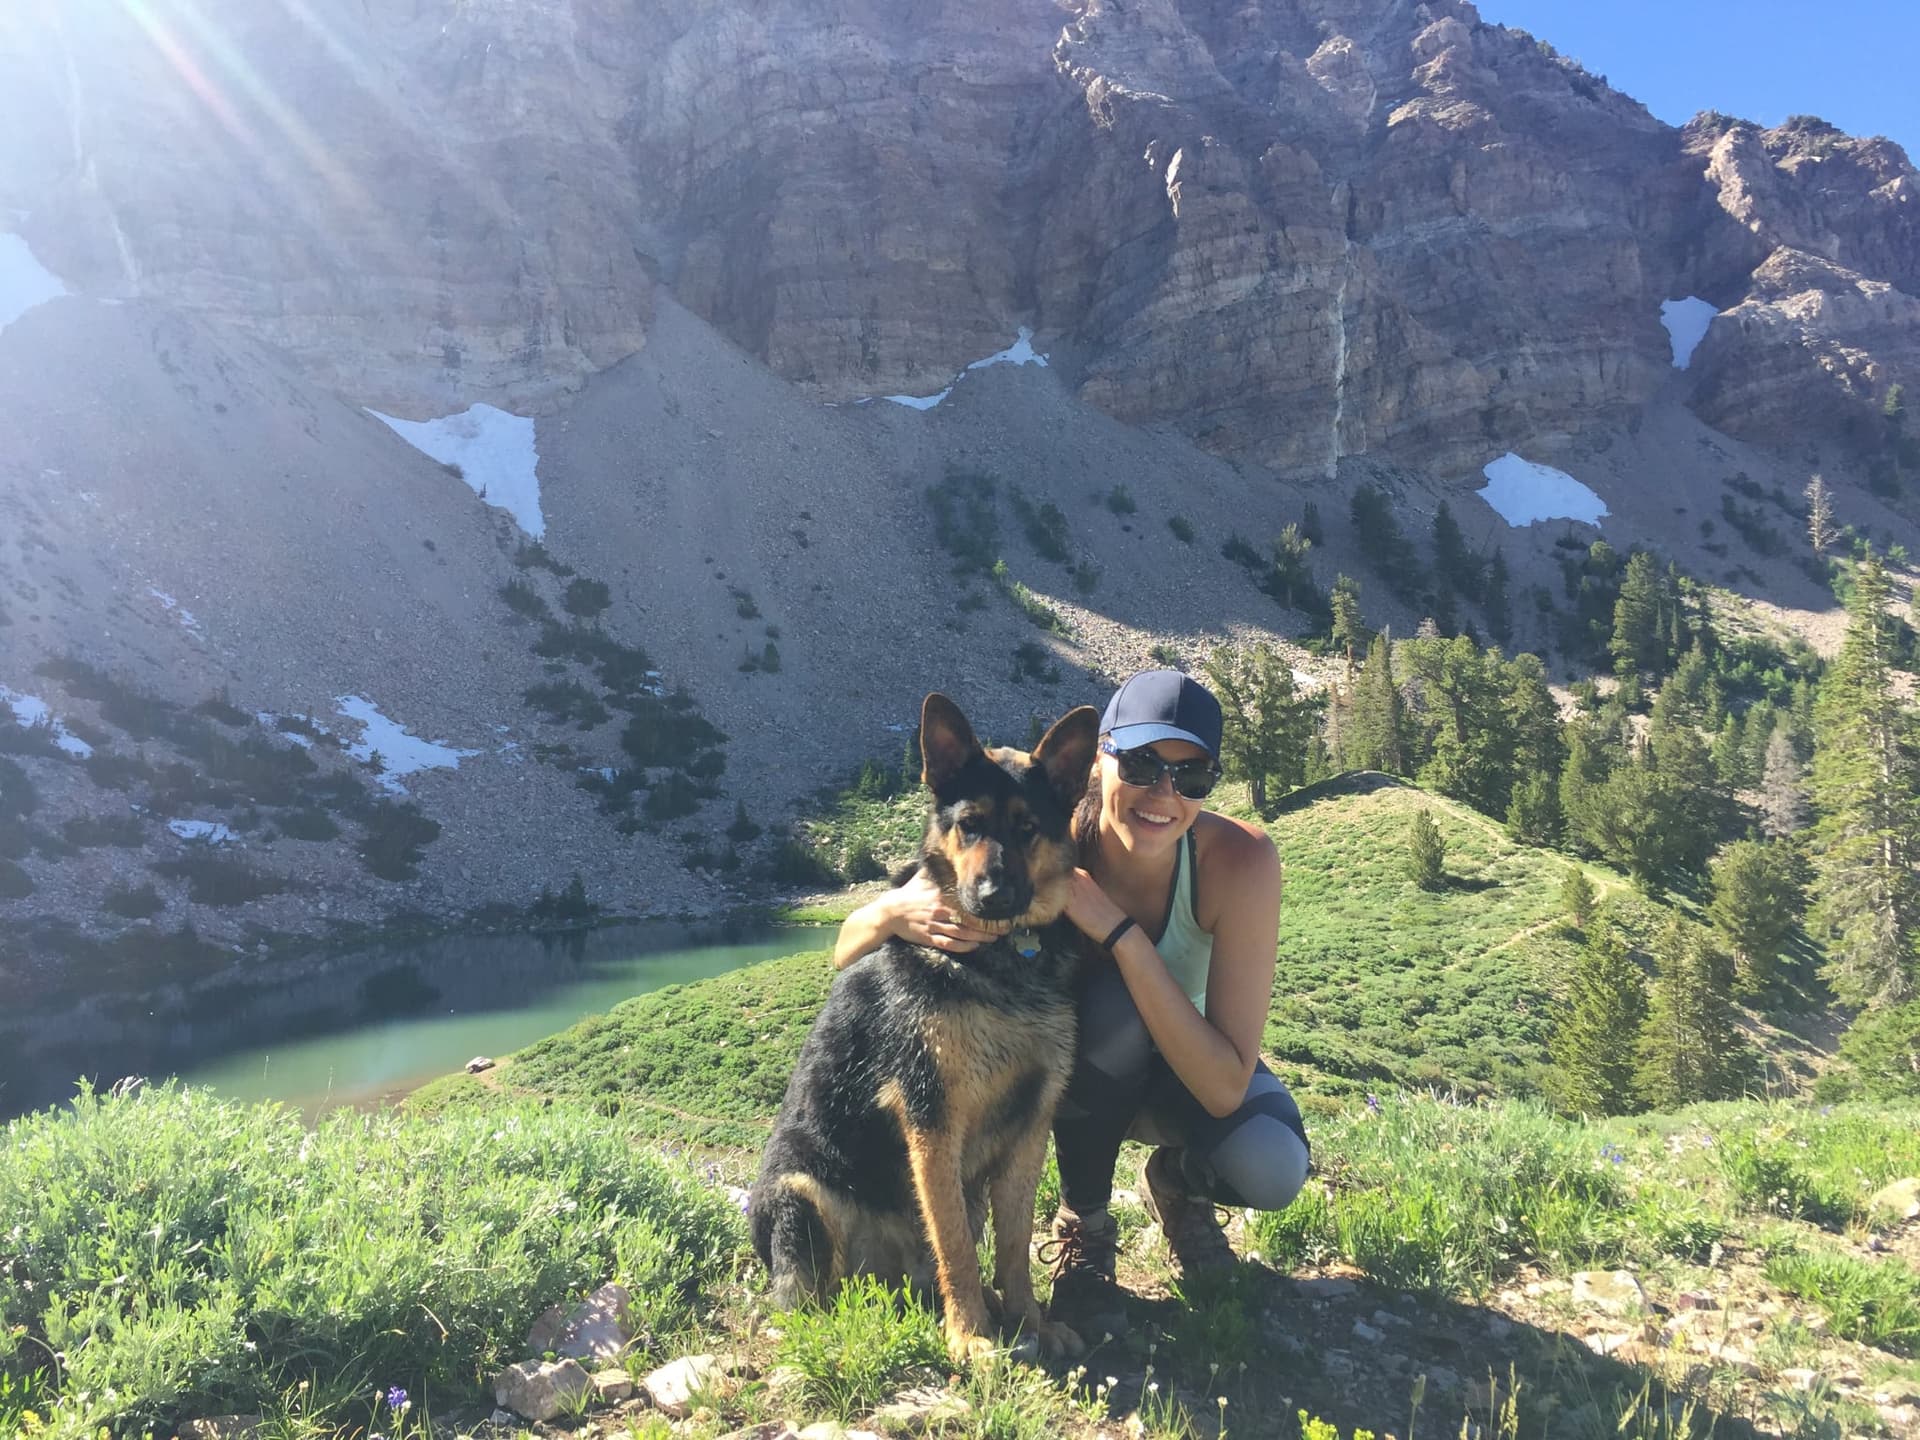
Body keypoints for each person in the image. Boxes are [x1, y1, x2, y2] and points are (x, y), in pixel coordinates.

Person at [831, 669, 1310, 1327]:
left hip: (1179, 1067)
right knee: (1109, 1015)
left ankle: (1174, 1185)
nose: (1163, 793)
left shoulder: (1240, 862)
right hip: (1080, 1083)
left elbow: (1227, 1088)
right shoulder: (1044, 833)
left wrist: (1117, 932)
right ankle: (1084, 1226)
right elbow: (851, 951)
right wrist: (890, 912)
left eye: (1190, 776)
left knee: (1273, 1165)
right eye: (1142, 764)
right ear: (1096, 763)